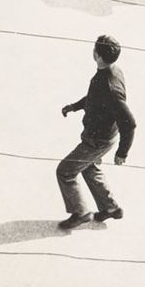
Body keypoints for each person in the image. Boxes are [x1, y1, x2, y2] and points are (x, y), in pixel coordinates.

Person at [57, 35, 136, 230]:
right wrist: (74, 107)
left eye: (94, 49)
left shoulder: (110, 86)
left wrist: (122, 153)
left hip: (97, 140)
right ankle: (110, 208)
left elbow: (130, 123)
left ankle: (81, 212)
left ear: (98, 56)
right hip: (100, 136)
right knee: (88, 167)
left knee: (65, 171)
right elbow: (95, 98)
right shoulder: (113, 71)